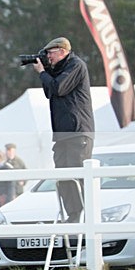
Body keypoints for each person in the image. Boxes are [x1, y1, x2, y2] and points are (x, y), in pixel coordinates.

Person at [32, 37, 94, 223]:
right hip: (62, 134)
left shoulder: (76, 65)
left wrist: (43, 72)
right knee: (63, 176)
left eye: (50, 53)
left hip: (77, 131)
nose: (48, 57)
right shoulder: (58, 69)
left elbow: (59, 88)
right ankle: (73, 216)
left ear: (62, 51)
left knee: (77, 173)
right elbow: (49, 91)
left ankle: (87, 217)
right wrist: (47, 71)